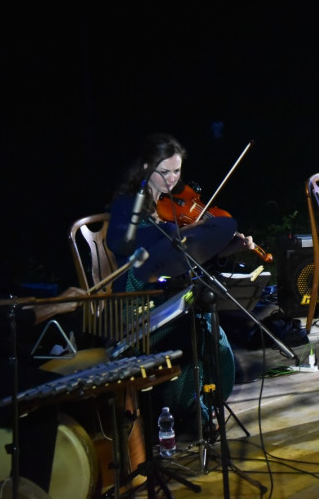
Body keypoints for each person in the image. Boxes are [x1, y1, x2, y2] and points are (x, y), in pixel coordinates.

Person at [106, 132, 254, 433]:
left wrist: (226, 248)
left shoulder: (170, 204)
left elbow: (188, 256)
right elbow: (118, 241)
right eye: (165, 172)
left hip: (170, 296)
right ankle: (185, 414)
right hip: (138, 301)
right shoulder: (128, 204)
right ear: (147, 168)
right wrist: (168, 235)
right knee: (193, 334)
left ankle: (202, 406)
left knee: (213, 332)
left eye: (177, 171)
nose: (173, 179)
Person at [0, 186, 83, 495]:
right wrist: (54, 306)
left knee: (41, 383)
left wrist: (39, 302)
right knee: (41, 395)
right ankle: (26, 493)